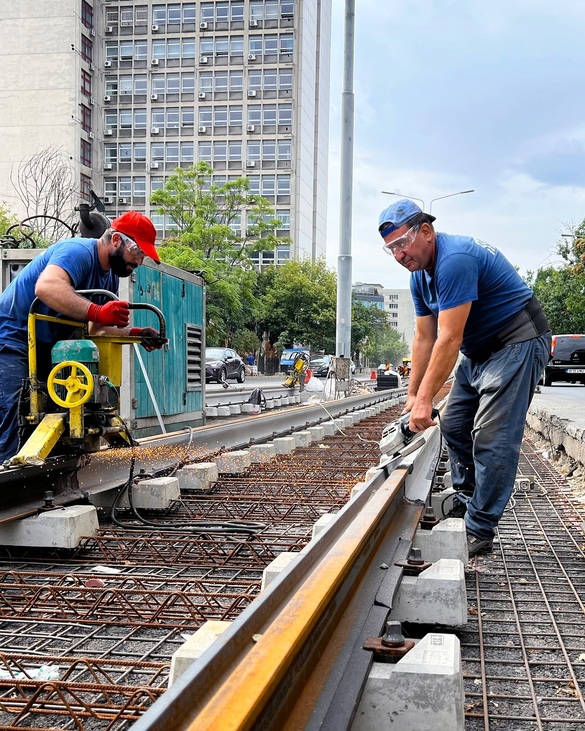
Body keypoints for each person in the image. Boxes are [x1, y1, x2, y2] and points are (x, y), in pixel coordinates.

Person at [377, 199, 551, 557]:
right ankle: (467, 498)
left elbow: (449, 339)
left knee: (492, 437)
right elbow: (424, 338)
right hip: (479, 352)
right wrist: (413, 398)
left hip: (516, 341)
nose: (399, 254)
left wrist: (426, 400)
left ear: (426, 231)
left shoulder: (454, 260)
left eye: (403, 243)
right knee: (454, 424)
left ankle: (479, 528)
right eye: (391, 248)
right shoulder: (418, 277)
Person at [0, 210, 166, 463]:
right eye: (138, 253)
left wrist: (135, 334)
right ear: (117, 241)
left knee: (52, 416)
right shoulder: (77, 251)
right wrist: (98, 310)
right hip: (11, 339)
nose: (139, 262)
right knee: (11, 414)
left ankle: (46, 483)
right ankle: (9, 487)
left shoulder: (108, 276)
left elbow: (95, 329)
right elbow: (46, 287)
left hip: (46, 348)